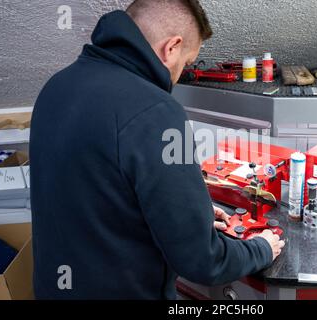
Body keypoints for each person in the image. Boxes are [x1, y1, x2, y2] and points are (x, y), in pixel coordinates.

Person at [30, 0, 285, 300]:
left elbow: (98, 193)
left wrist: (191, 214)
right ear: (172, 48)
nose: (178, 75)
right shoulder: (155, 111)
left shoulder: (56, 86)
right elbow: (202, 261)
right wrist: (261, 249)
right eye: (186, 63)